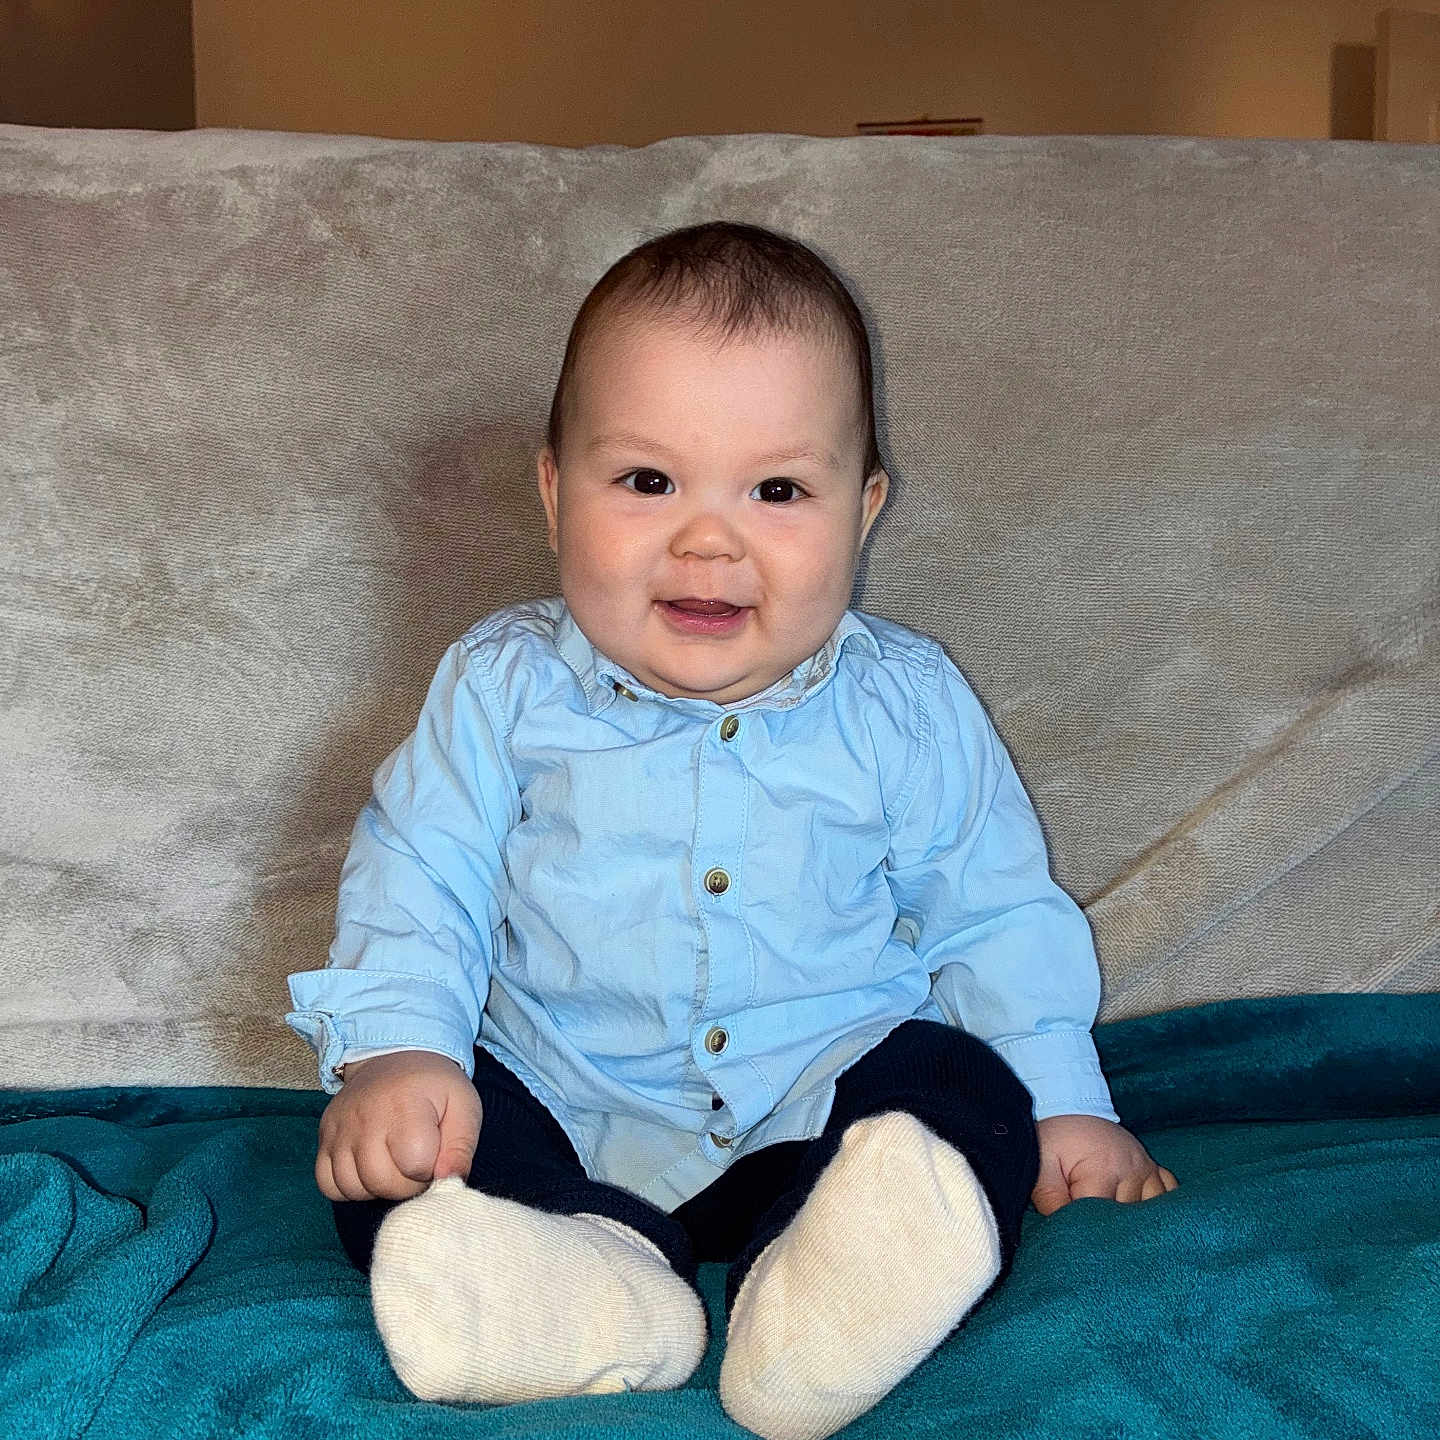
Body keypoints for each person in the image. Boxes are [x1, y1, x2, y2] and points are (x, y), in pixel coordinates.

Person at [285, 220, 1179, 1440]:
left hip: (816, 1100)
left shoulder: (905, 706)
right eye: (648, 481)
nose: (709, 538)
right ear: (555, 492)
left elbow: (991, 908)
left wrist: (1065, 1104)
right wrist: (396, 1051)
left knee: (957, 1088)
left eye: (777, 489)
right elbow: (418, 871)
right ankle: (579, 1288)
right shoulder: (500, 688)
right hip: (564, 1096)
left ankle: (827, 1295)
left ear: (863, 513)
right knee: (405, 1153)